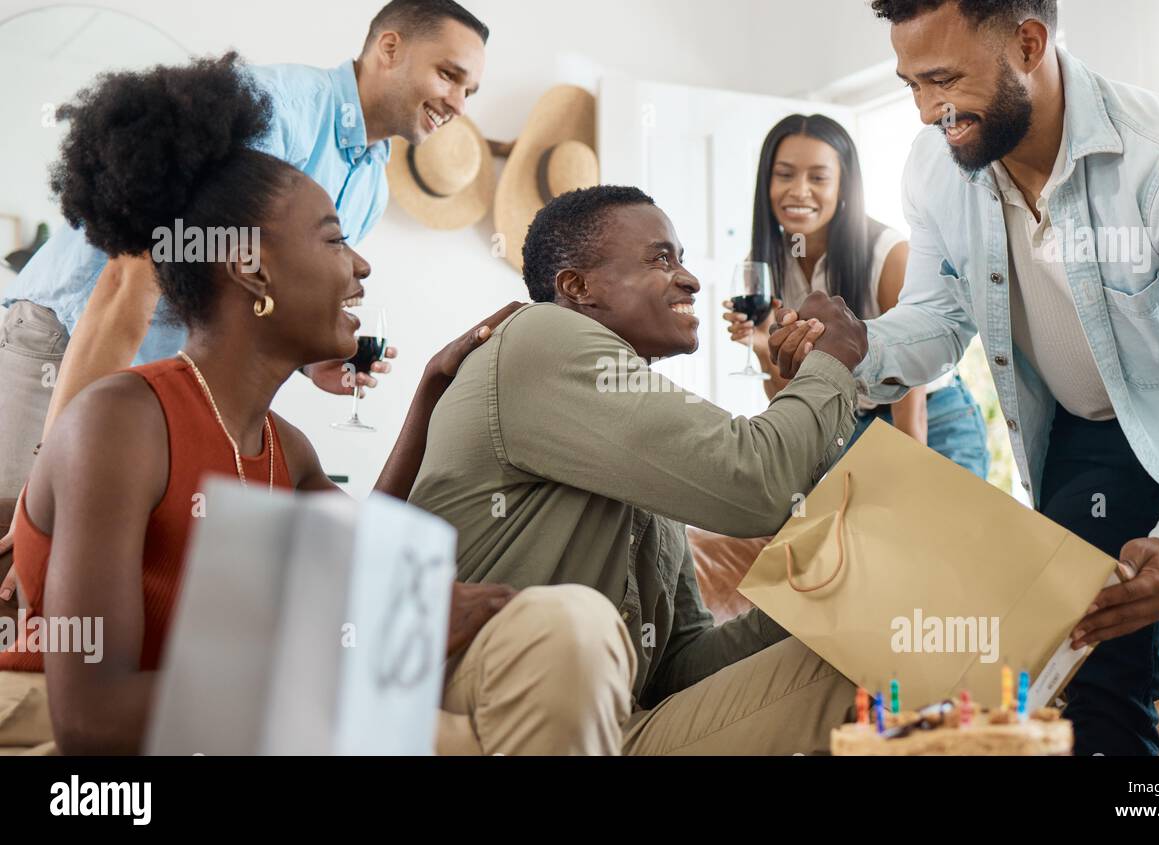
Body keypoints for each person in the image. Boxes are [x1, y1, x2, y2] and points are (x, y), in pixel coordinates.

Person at [773, 0, 1159, 755]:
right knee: (1091, 677)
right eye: (911, 83)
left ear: (1028, 42)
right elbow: (938, 317)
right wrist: (863, 348)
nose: (926, 111)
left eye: (943, 80)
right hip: (1088, 441)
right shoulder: (937, 166)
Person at [0, 54, 516, 755]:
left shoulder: (286, 447)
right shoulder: (122, 423)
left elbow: (368, 548)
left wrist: (428, 393)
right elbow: (92, 722)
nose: (362, 265)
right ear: (250, 266)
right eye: (334, 239)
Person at [0, 0, 491, 592]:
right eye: (449, 75)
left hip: (156, 377)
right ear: (389, 48)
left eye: (472, 91)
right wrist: (51, 484)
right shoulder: (274, 111)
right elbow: (127, 282)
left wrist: (316, 364)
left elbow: (265, 291)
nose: (459, 105)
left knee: (91, 587)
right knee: (20, 563)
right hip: (71, 340)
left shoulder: (369, 186)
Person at [408, 184, 874, 755]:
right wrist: (830, 366)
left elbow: (676, 667)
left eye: (680, 257)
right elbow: (752, 483)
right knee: (574, 625)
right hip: (497, 704)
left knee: (873, 657)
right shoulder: (542, 335)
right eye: (660, 258)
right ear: (576, 288)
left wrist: (823, 596)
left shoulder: (633, 421)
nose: (691, 279)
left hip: (613, 727)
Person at [724, 113, 989, 477]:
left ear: (843, 185)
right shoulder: (766, 268)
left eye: (818, 177)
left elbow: (913, 370)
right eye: (784, 174)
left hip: (934, 417)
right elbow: (791, 395)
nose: (799, 190)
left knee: (926, 527)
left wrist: (910, 465)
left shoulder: (886, 252)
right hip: (850, 425)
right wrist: (762, 348)